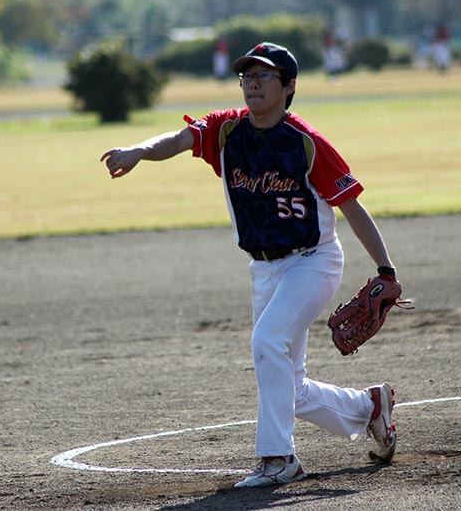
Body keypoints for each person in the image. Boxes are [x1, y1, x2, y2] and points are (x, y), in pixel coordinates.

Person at [101, 42, 398, 488]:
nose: (252, 84)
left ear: (289, 86)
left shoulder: (306, 143)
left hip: (313, 261)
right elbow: (179, 140)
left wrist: (385, 270)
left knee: (266, 342)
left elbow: (351, 206)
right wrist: (138, 150)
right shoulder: (226, 130)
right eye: (247, 76)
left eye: (264, 76)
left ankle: (279, 458)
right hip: (263, 268)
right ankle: (368, 406)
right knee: (289, 386)